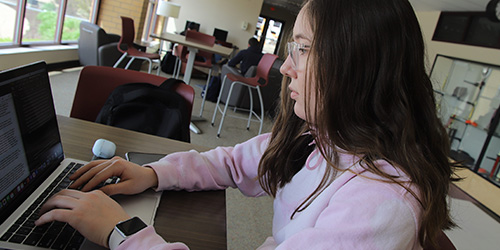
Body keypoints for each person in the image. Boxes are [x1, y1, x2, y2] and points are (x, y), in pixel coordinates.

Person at [36, 0, 458, 249]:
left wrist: (122, 232)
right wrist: (151, 173)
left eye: (305, 50)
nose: (286, 67)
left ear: (359, 68)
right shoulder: (324, 137)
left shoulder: (379, 203)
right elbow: (235, 162)